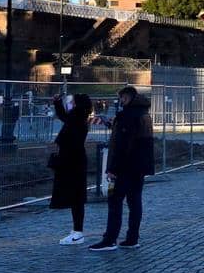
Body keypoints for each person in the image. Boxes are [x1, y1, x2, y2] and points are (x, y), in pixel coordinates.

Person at [88, 86, 153, 252]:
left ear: (128, 97)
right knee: (135, 202)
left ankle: (110, 239)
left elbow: (122, 146)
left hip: (125, 167)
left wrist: (113, 169)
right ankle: (132, 238)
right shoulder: (144, 114)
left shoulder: (127, 116)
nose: (120, 101)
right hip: (139, 167)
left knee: (115, 202)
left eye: (122, 98)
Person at [50, 93, 93, 244]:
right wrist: (57, 103)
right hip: (74, 160)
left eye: (73, 102)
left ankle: (78, 231)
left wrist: (58, 103)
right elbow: (64, 116)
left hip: (72, 161)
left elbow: (65, 119)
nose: (71, 104)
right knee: (76, 197)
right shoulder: (77, 117)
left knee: (76, 197)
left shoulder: (76, 119)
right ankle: (77, 230)